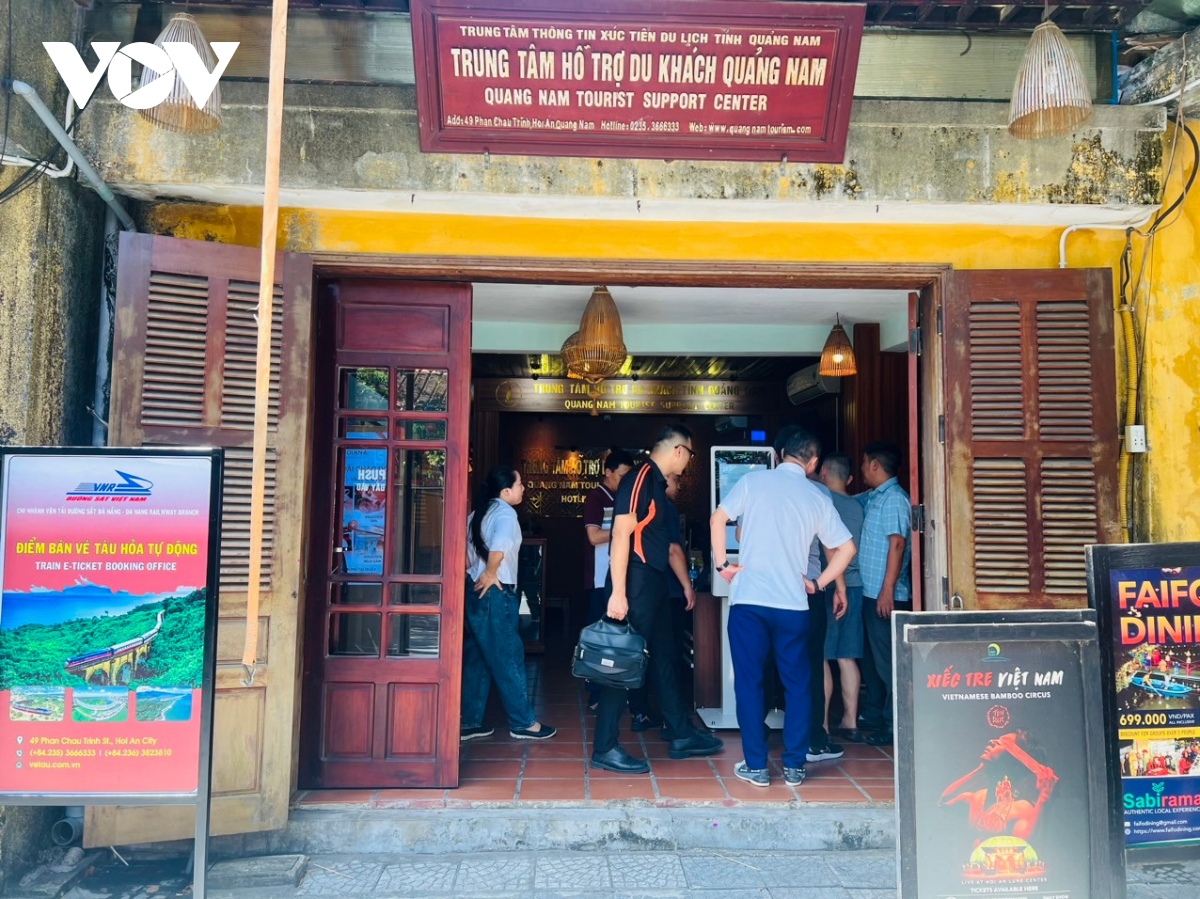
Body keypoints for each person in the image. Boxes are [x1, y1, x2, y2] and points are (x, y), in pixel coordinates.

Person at [710, 425, 855, 788]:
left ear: (778, 454)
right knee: (798, 683)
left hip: (750, 603)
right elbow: (846, 548)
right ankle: (794, 766)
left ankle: (756, 766)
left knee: (750, 681)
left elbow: (719, 519)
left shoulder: (754, 484)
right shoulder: (817, 496)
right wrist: (819, 583)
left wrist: (721, 565)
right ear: (813, 462)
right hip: (793, 604)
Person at [592, 425, 723, 774]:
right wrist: (618, 593)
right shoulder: (640, 478)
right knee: (622, 661)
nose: (689, 462)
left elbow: (667, 546)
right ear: (679, 451)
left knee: (664, 656)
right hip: (633, 582)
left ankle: (680, 732)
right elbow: (620, 533)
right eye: (691, 455)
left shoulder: (659, 488)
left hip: (653, 583)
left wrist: (683, 585)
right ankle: (604, 746)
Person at [461, 466, 556, 742]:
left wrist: (478, 574)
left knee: (477, 657)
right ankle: (523, 722)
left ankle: (470, 721)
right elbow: (500, 544)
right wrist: (490, 572)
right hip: (496, 592)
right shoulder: (505, 512)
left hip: (474, 590)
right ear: (505, 491)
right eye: (520, 484)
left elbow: (465, 558)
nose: (523, 488)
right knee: (508, 655)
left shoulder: (475, 514)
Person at [628, 470, 696, 733]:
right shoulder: (664, 507)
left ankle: (641, 711)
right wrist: (687, 586)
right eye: (677, 480)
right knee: (666, 656)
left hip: (643, 591)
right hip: (666, 591)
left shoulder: (644, 507)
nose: (679, 486)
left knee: (641, 652)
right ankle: (674, 722)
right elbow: (673, 549)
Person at [857, 441, 912, 746]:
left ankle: (894, 726)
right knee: (874, 662)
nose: (862, 468)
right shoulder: (877, 497)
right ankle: (876, 717)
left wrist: (887, 591)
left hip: (885, 594)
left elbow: (898, 544)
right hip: (872, 592)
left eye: (864, 462)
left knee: (888, 662)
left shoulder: (894, 499)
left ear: (875, 464)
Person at [818, 452, 866, 743]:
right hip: (857, 585)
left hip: (828, 586)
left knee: (822, 656)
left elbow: (829, 548)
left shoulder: (820, 502)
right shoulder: (859, 506)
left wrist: (836, 585)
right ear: (848, 477)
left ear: (822, 471)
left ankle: (822, 724)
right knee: (847, 657)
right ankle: (850, 721)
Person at [582, 448, 635, 711]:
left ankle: (614, 691)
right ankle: (594, 693)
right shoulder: (596, 498)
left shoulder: (624, 497)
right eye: (622, 475)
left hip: (619, 579)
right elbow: (593, 537)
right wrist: (624, 529)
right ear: (608, 472)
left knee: (617, 640)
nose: (625, 481)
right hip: (600, 580)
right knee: (599, 639)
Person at [939, 731, 1058, 843]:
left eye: (1003, 742)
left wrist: (1044, 797)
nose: (992, 741)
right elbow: (944, 802)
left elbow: (1024, 846)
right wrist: (980, 770)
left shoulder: (1021, 809)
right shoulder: (977, 797)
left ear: (1016, 759)